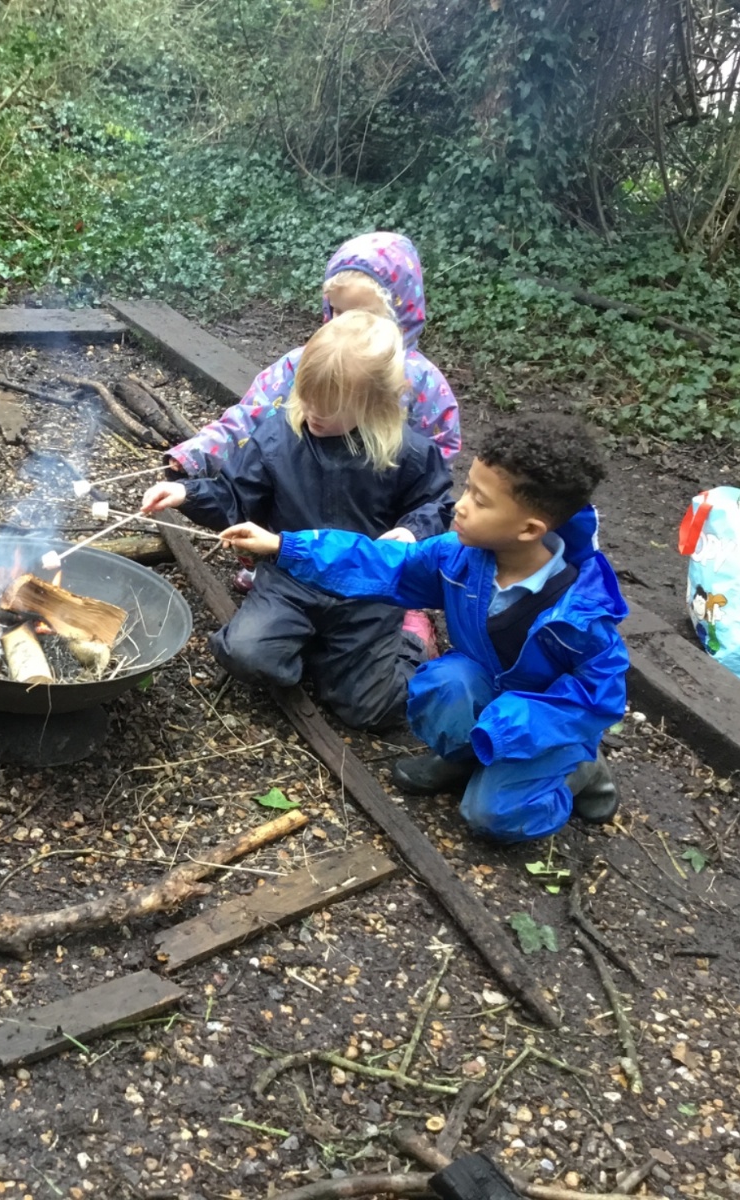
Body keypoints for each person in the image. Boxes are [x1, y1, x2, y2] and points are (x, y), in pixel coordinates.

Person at [265, 415, 626, 842]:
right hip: (491, 694)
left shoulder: (582, 612)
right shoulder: (460, 556)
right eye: (467, 488)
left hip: (542, 723)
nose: (460, 505)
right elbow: (384, 563)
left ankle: (579, 769)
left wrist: (510, 725)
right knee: (446, 683)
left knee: (492, 817)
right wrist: (284, 546)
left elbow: (600, 698)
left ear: (529, 530)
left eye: (480, 501)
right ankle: (464, 757)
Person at [141, 311, 454, 731]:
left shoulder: (407, 452)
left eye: (329, 409)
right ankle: (323, 651)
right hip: (291, 582)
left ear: (373, 403)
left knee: (369, 709)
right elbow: (236, 496)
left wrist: (413, 530)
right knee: (245, 654)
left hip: (366, 591)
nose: (312, 413)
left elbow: (435, 503)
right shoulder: (278, 438)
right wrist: (187, 493)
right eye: (306, 398)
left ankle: (410, 639)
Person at [167, 231, 461, 477]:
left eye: (362, 315)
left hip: (373, 520)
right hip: (296, 504)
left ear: (399, 314)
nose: (345, 324)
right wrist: (197, 454)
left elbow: (436, 464)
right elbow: (251, 418)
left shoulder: (419, 382)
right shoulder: (308, 362)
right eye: (338, 311)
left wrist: (412, 518)